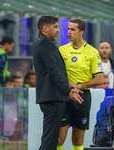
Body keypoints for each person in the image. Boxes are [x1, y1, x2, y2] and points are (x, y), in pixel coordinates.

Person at [33, 15, 84, 150]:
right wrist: (68, 91)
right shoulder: (44, 43)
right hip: (52, 99)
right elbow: (53, 71)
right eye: (55, 27)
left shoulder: (45, 43)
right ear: (45, 28)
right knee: (50, 142)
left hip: (53, 98)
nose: (58, 30)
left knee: (50, 140)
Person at [57, 18, 103, 150]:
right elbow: (55, 74)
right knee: (59, 139)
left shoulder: (92, 52)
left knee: (78, 140)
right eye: (68, 29)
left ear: (81, 32)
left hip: (83, 97)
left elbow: (99, 79)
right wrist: (67, 85)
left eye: (73, 29)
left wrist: (79, 85)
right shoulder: (62, 50)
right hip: (65, 96)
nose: (69, 32)